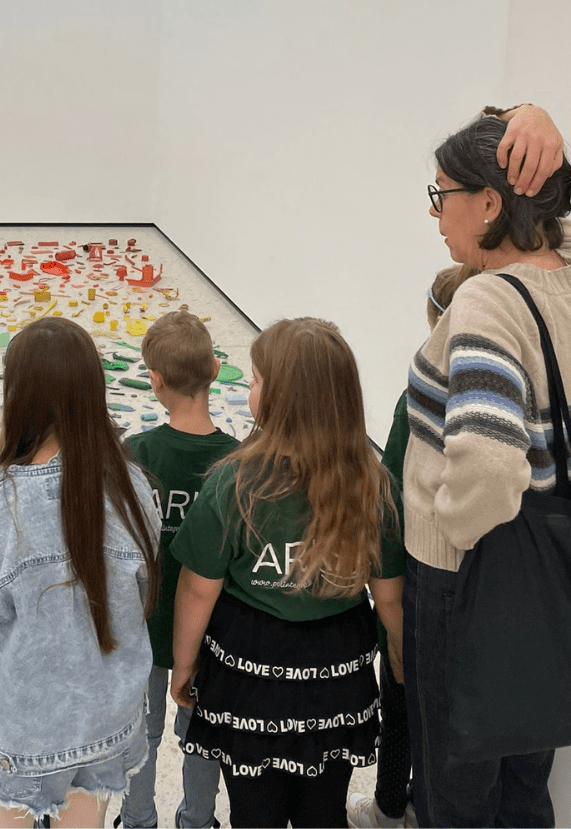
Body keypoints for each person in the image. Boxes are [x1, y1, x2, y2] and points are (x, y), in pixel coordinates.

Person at [403, 112, 571, 827]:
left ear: (490, 203)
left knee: (455, 789)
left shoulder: (488, 301)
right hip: (546, 570)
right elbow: (551, 210)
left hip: (468, 575)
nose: (437, 218)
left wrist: (446, 530)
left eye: (442, 196)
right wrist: (531, 118)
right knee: (525, 773)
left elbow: (490, 471)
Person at [170, 318, 406, 829]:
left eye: (255, 379)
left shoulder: (233, 483)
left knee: (254, 809)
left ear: (280, 400)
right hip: (337, 671)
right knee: (324, 808)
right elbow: (390, 597)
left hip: (248, 668)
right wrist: (402, 658)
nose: (249, 388)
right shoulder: (374, 484)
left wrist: (183, 663)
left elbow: (197, 589)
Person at [0, 317, 161, 829]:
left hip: (20, 733)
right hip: (109, 720)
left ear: (15, 396)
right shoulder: (132, 487)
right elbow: (143, 589)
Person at [347, 265, 478, 829]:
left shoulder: (419, 398)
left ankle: (388, 807)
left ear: (434, 321)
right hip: (479, 589)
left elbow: (391, 499)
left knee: (402, 704)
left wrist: (389, 602)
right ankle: (425, 805)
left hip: (419, 587)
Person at [115, 311, 238, 829]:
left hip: (142, 622)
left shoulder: (135, 453)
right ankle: (198, 820)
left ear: (155, 380)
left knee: (138, 734)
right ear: (215, 369)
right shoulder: (237, 460)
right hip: (209, 627)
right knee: (201, 732)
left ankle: (137, 819)